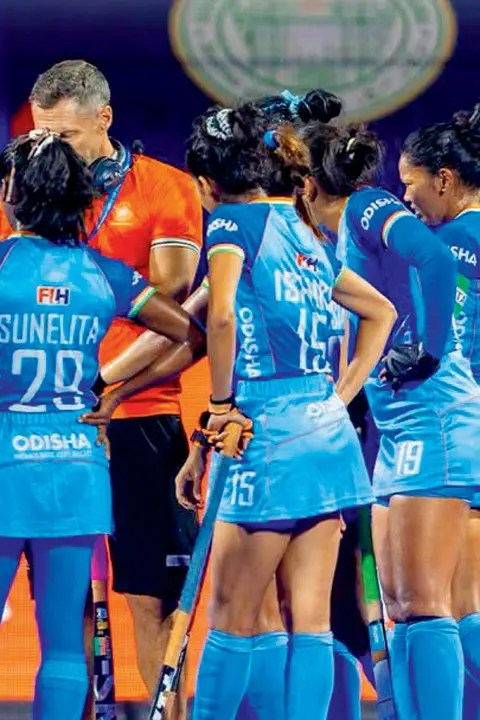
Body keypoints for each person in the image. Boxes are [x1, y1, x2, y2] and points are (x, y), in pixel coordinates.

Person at [0, 127, 204, 719]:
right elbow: (189, 334)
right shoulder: (108, 275)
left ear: (14, 191)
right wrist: (115, 394)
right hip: (75, 470)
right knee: (64, 644)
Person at [0, 61, 205, 716]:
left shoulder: (165, 188)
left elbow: (174, 298)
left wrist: (106, 383)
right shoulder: (21, 195)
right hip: (51, 423)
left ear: (105, 120)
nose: (50, 151)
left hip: (142, 417)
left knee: (150, 598)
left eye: (64, 135)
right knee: (67, 599)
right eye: (40, 136)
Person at [179, 103, 395, 718]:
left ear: (205, 184)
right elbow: (379, 313)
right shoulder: (311, 236)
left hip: (263, 433)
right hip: (326, 434)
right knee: (310, 619)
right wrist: (340, 396)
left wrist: (218, 408)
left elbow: (216, 317)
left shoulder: (230, 225)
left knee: (230, 616)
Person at [395, 104, 480, 718]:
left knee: (440, 604)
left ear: (444, 179)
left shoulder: (447, 245)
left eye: (411, 182)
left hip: (456, 436)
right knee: (465, 603)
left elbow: (432, 342)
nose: (406, 197)